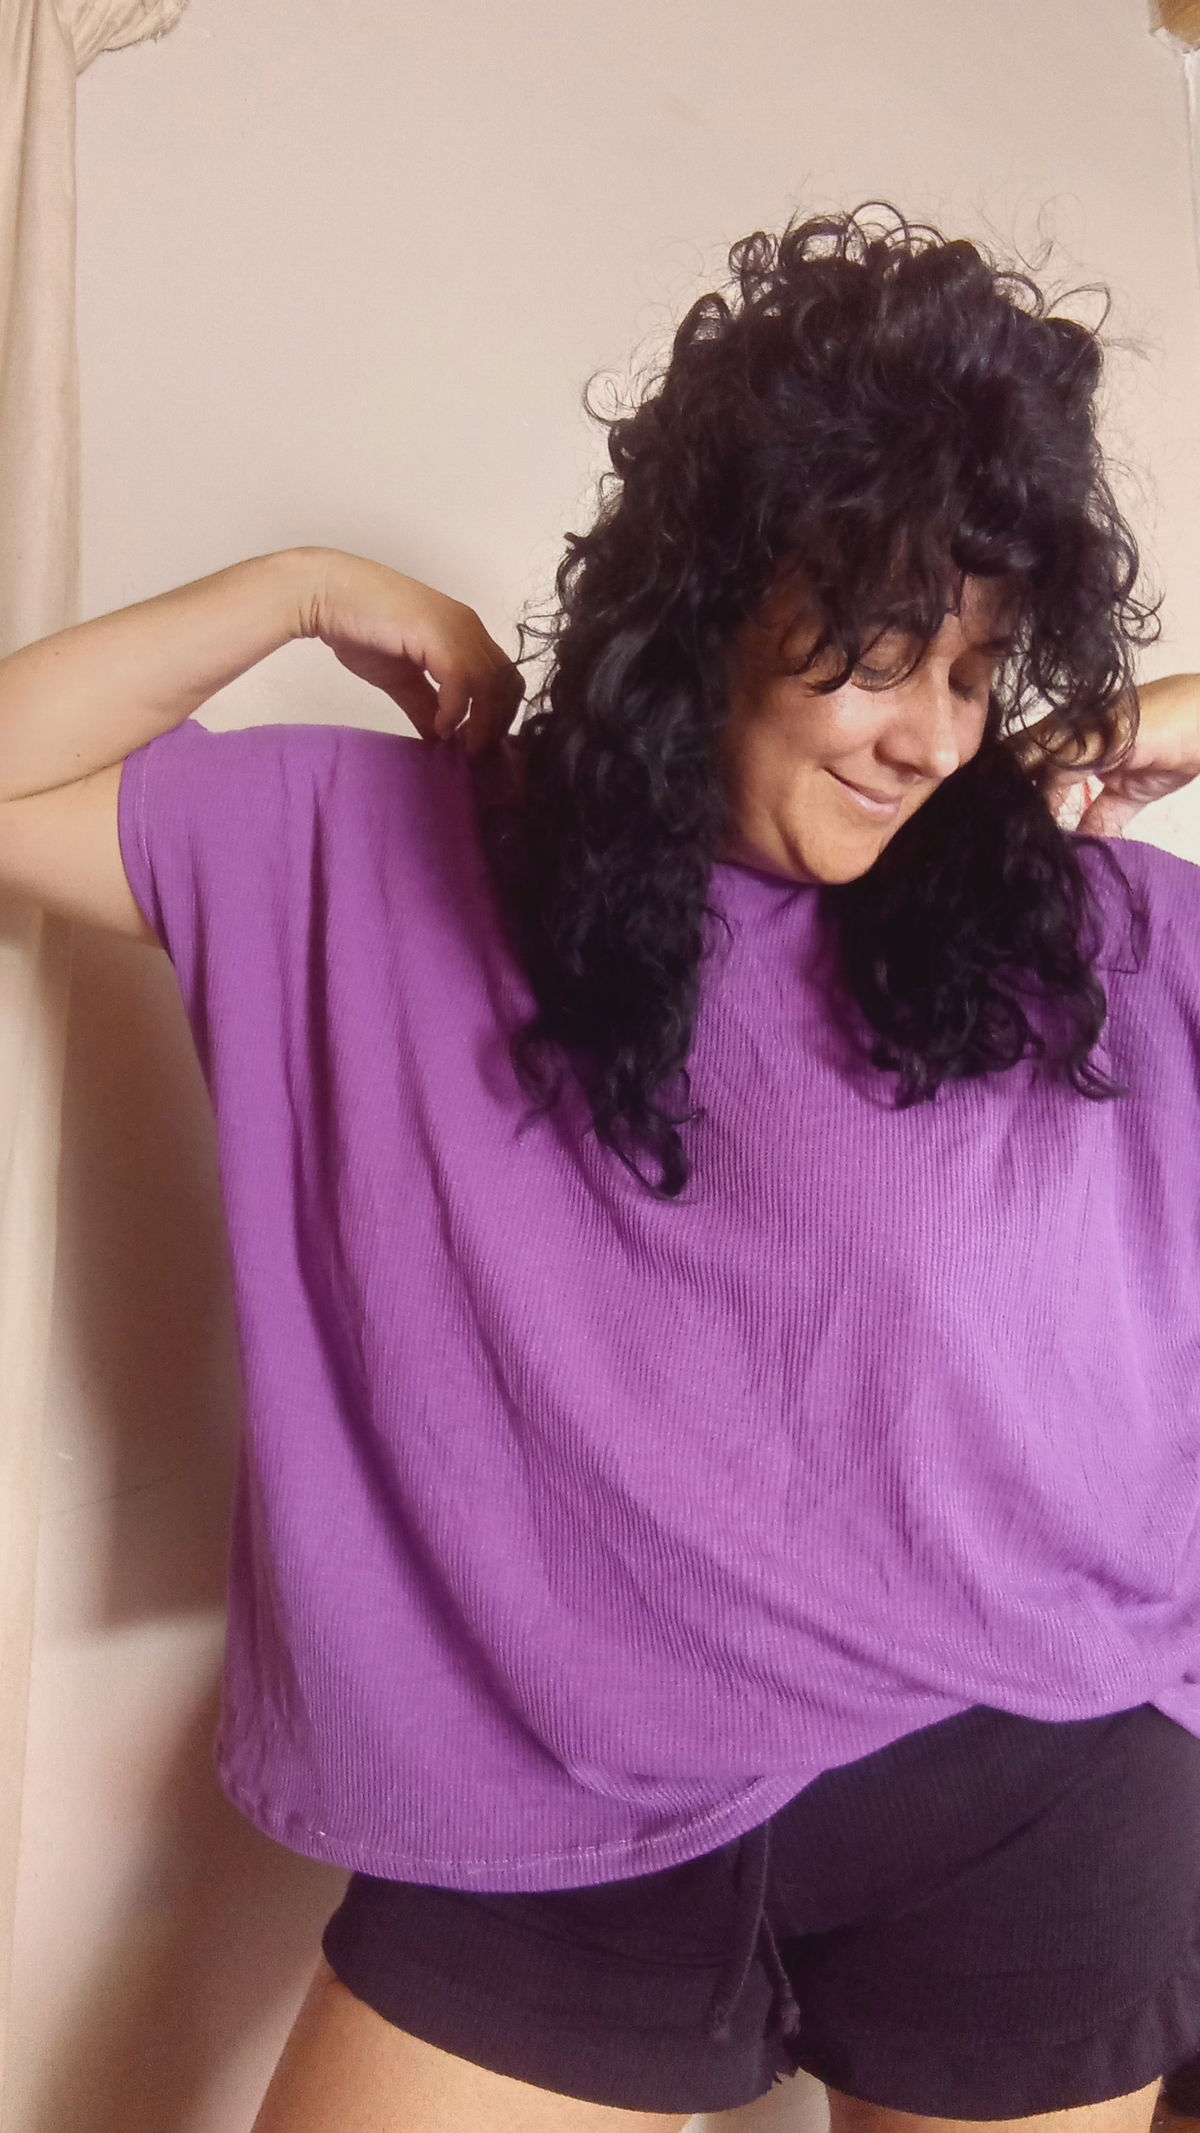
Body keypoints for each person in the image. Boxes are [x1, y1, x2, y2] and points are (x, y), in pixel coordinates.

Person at [5, 204, 1200, 2133]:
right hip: (544, 1813)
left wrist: (1158, 723)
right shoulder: (395, 851)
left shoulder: (1071, 928)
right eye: (885, 649)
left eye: (979, 671)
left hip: (1031, 1794)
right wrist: (301, 588)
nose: (926, 737)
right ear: (718, 591)